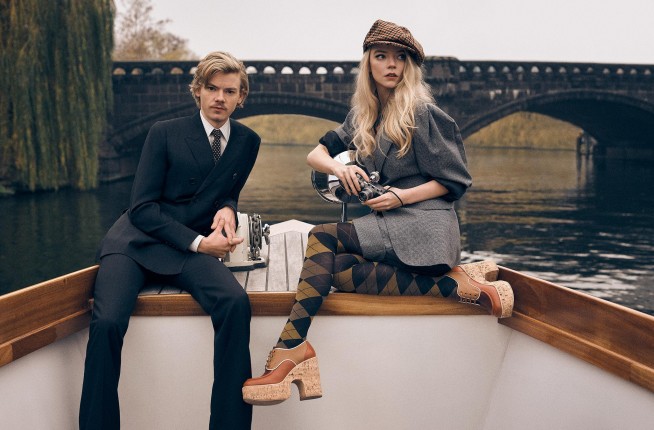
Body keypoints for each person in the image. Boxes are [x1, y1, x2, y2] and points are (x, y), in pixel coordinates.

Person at [241, 19, 514, 405]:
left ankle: (290, 350)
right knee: (337, 270)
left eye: (399, 58)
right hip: (390, 221)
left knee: (322, 236)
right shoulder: (364, 116)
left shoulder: (422, 113)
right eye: (381, 56)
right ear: (368, 63)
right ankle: (456, 286)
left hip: (425, 221)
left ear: (409, 66)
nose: (391, 65)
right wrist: (340, 168)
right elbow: (315, 154)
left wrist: (401, 198)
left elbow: (454, 181)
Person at [79, 51, 261, 430]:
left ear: (241, 97)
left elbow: (228, 188)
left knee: (234, 303)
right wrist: (201, 244)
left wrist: (228, 208)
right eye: (212, 88)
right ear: (197, 90)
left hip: (187, 250)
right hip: (136, 244)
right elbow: (142, 208)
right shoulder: (163, 132)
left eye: (229, 91)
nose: (219, 98)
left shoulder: (248, 141)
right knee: (108, 323)